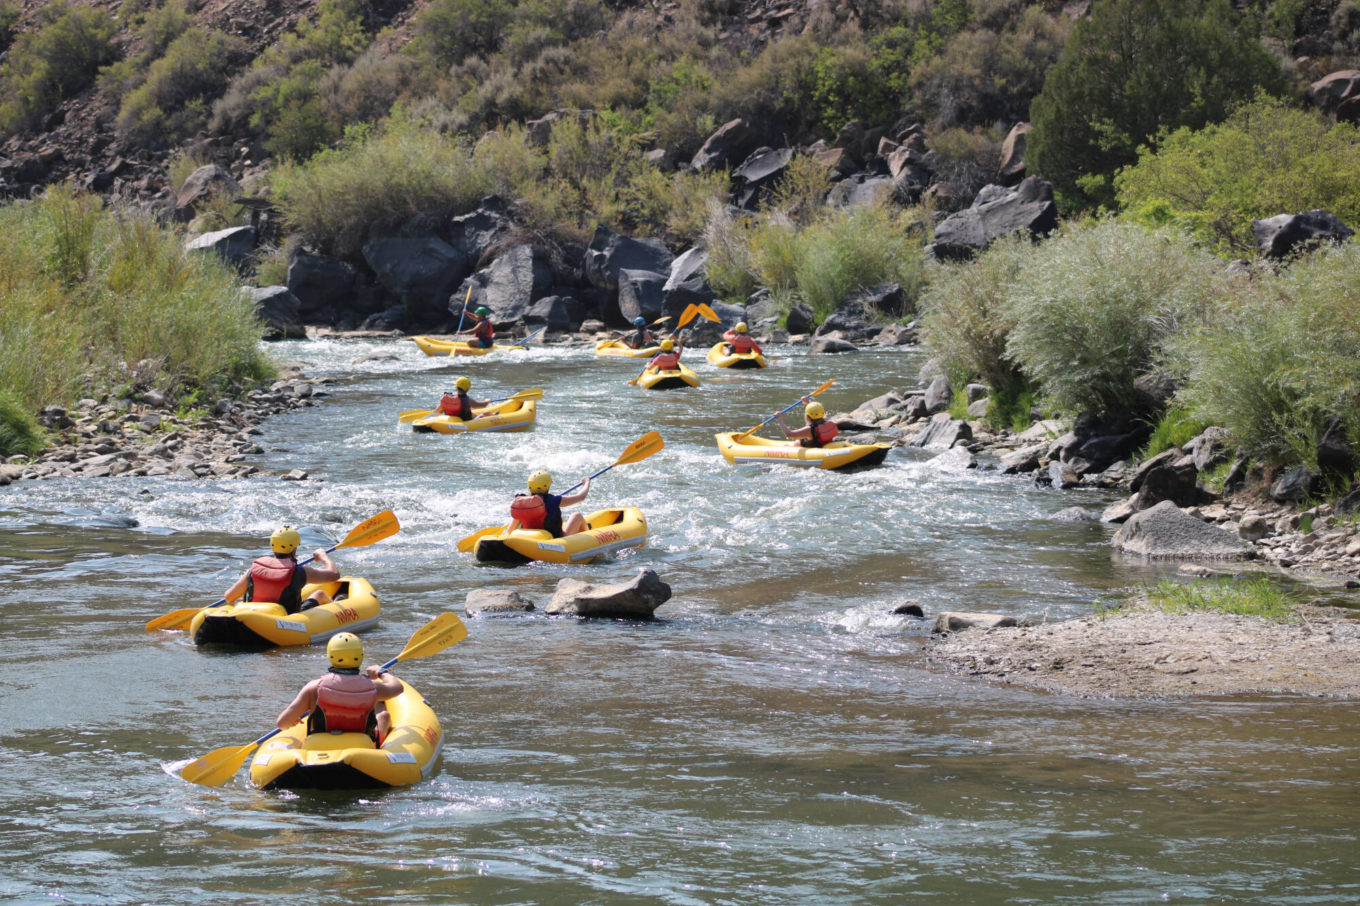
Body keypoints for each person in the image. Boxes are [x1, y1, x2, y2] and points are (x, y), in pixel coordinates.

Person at [274, 633, 403, 744]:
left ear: (331, 656)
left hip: (318, 748)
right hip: (361, 748)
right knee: (383, 715)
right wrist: (381, 672)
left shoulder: (313, 687)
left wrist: (293, 720)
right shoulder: (372, 686)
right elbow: (397, 688)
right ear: (360, 655)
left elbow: (282, 723)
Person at [223, 527, 340, 614]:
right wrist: (323, 556)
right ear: (294, 549)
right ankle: (339, 613)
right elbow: (334, 575)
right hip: (286, 621)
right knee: (320, 594)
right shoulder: (299, 572)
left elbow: (229, 597)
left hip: (254, 615)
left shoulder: (253, 570)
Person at [508, 470, 590, 537]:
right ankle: (589, 536)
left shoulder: (522, 501)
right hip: (555, 540)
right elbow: (581, 497)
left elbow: (510, 531)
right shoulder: (553, 500)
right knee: (577, 516)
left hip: (529, 538)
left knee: (521, 513)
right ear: (547, 486)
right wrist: (587, 482)